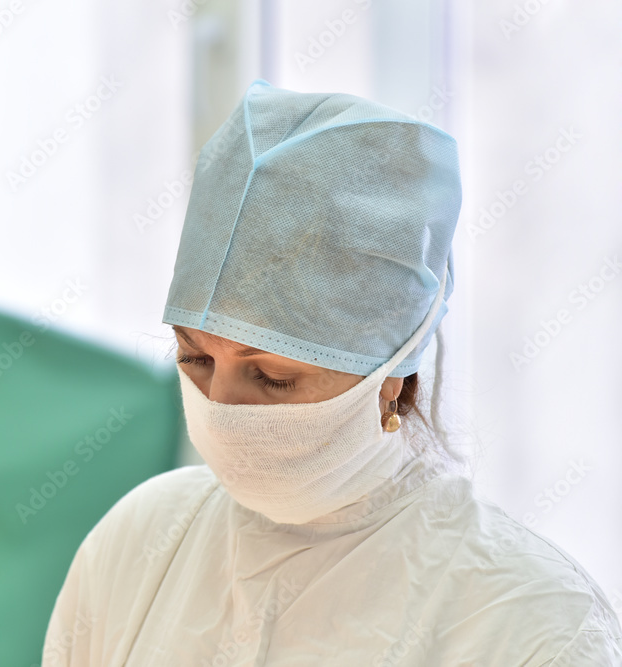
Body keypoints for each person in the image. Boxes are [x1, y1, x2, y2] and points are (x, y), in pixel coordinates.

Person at [41, 80, 622, 666]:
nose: (219, 406)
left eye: (271, 376)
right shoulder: (141, 542)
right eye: (195, 358)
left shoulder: (530, 626)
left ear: (391, 374)